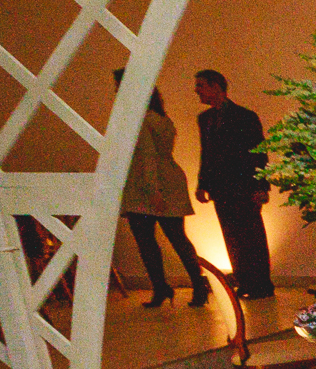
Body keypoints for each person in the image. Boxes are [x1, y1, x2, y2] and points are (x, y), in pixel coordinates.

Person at [116, 69, 208, 309]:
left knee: (149, 242)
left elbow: (147, 156)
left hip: (148, 187)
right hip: (167, 181)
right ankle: (196, 285)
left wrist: (151, 189)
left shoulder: (140, 119)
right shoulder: (160, 117)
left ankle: (165, 287)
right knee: (178, 239)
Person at [194, 69, 274, 299]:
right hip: (222, 188)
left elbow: (259, 153)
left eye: (201, 85)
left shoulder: (245, 116)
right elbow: (206, 153)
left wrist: (261, 186)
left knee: (252, 236)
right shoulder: (205, 119)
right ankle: (244, 281)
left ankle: (261, 283)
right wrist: (203, 183)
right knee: (231, 236)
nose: (196, 90)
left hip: (245, 186)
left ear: (216, 86)